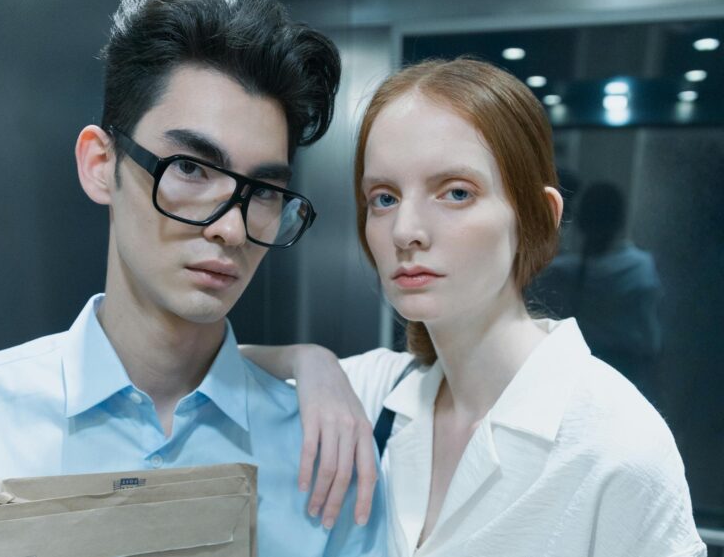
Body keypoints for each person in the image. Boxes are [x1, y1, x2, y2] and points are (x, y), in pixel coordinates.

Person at [0, 0, 386, 557]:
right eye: (190, 168)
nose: (231, 228)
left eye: (263, 191)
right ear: (100, 164)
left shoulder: (325, 454)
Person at [243, 58, 706, 556]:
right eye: (384, 198)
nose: (405, 231)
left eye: (456, 192)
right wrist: (309, 360)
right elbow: (191, 368)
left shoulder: (615, 445)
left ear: (538, 218)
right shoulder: (377, 393)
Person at [532, 181, 663, 402]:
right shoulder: (642, 268)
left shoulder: (558, 273)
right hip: (630, 378)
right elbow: (652, 340)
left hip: (574, 378)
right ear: (621, 221)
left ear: (581, 221)